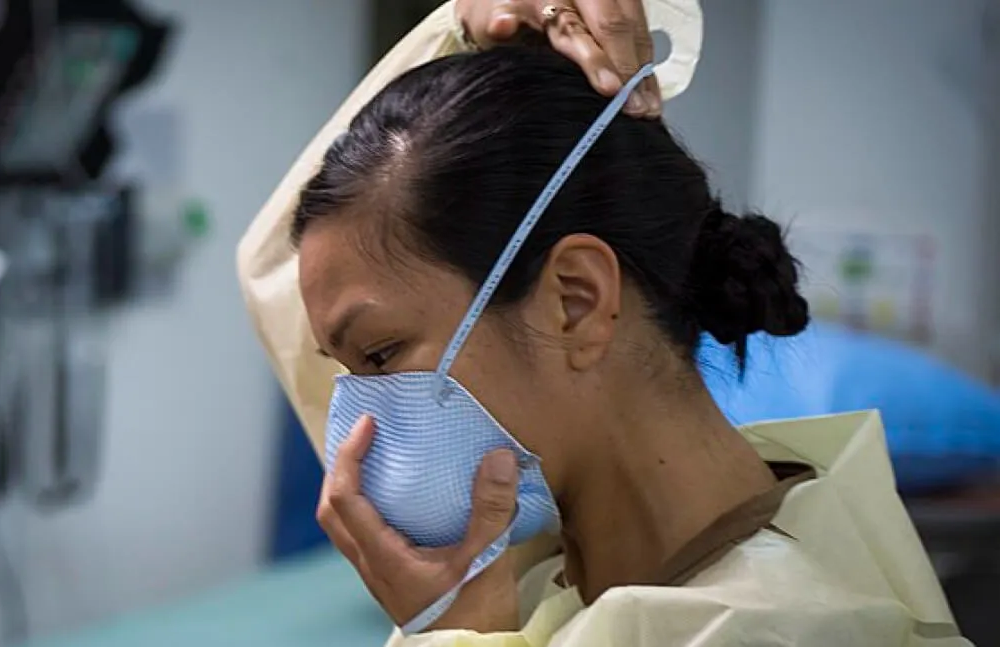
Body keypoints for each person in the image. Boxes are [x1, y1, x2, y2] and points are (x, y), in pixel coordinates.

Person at [238, 2, 970, 646]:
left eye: (380, 354)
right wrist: (465, 29)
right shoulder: (529, 563)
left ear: (576, 300)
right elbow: (278, 265)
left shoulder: (783, 629)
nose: (350, 449)